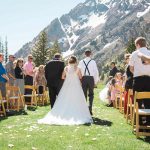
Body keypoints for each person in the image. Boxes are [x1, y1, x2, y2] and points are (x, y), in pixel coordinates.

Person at [38, 56, 92, 125]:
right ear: (75, 61)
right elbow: (80, 77)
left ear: (69, 61)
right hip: (76, 85)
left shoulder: (66, 68)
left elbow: (62, 77)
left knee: (65, 98)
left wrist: (67, 76)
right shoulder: (78, 68)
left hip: (67, 85)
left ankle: (64, 112)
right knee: (76, 99)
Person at [129, 37, 150, 125]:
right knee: (148, 102)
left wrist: (137, 73)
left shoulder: (134, 53)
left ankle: (139, 123)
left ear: (138, 45)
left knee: (137, 102)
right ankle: (148, 122)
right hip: (149, 80)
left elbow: (131, 68)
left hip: (138, 80)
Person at [78, 49, 99, 115]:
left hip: (84, 78)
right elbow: (96, 72)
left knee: (84, 94)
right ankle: (90, 109)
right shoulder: (93, 61)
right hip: (90, 79)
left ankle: (84, 110)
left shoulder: (81, 61)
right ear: (90, 54)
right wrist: (95, 81)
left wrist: (80, 79)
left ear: (85, 54)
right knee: (91, 94)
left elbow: (79, 71)